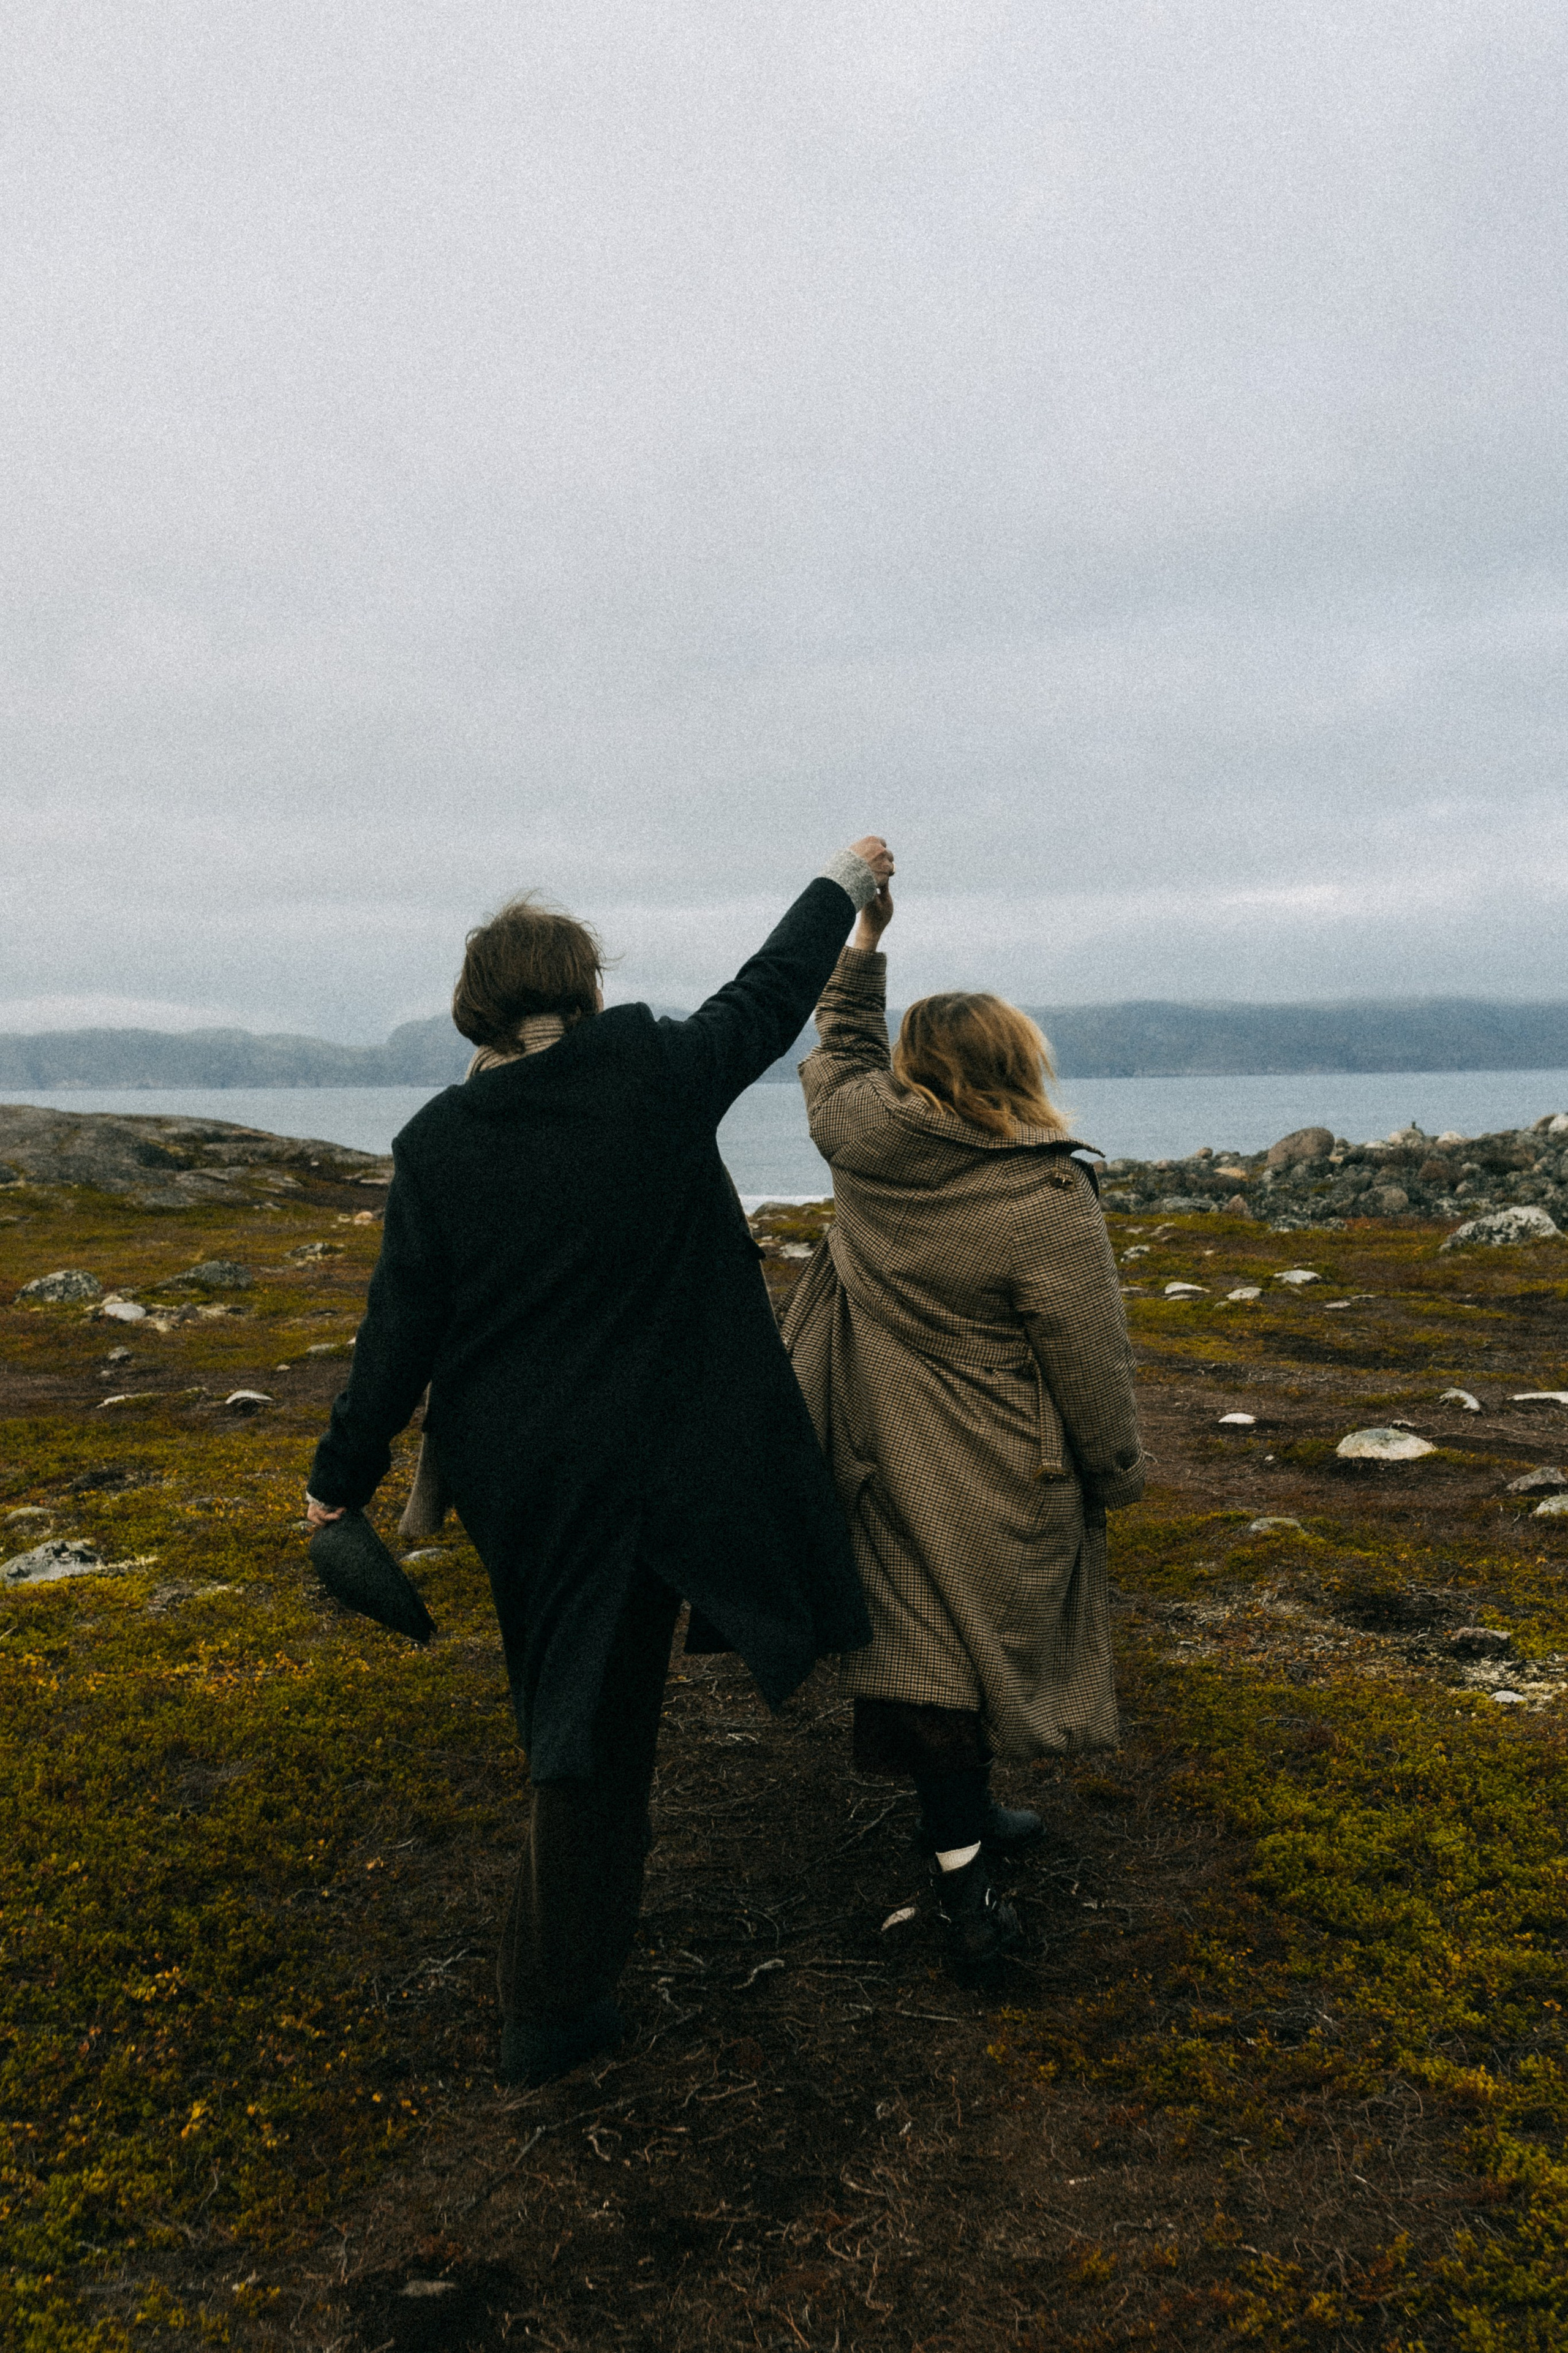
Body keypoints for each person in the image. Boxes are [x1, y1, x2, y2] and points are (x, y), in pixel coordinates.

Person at [304, 838, 893, 2085]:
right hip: (684, 1457)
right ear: (584, 989)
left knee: (578, 1717)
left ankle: (557, 1995)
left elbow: (396, 1332)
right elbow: (765, 992)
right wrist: (839, 887)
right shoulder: (657, 1076)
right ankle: (546, 2003)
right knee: (595, 1732)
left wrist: (337, 1480)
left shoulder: (440, 1144)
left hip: (538, 1487)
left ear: (479, 1009)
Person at [782, 881, 1145, 1981]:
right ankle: (967, 1886)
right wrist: (1112, 1469)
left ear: (915, 1070)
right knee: (959, 1658)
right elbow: (1091, 1353)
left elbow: (836, 1050)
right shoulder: (1041, 1192)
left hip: (876, 1446)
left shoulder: (860, 1140)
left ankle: (968, 1829)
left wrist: (864, 939)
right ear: (1014, 1069)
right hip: (1001, 1467)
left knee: (923, 1648)